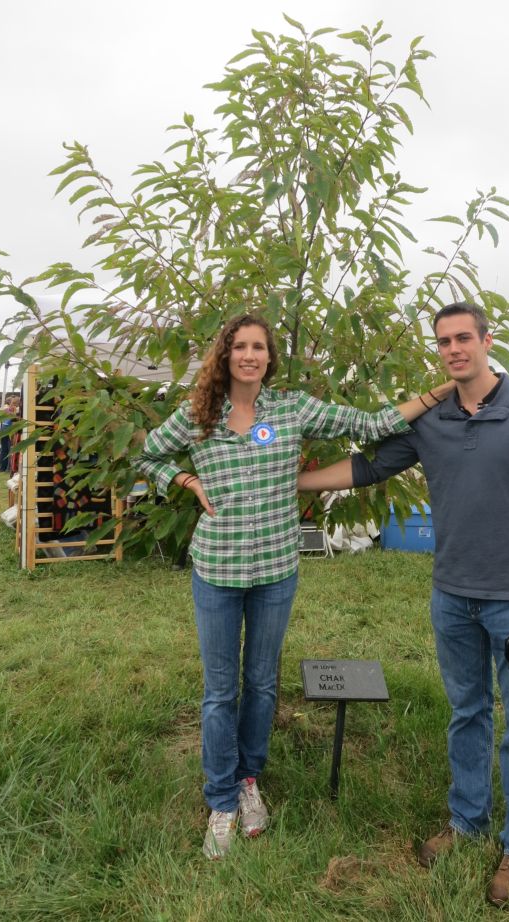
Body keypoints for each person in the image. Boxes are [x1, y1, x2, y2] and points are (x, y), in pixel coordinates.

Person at [132, 313, 454, 860]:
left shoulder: (292, 408)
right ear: (225, 354)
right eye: (240, 346)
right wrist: (184, 480)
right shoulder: (198, 415)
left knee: (260, 682)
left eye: (259, 347)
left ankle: (249, 780)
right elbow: (147, 457)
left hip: (276, 568)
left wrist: (434, 395)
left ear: (269, 357)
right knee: (219, 690)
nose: (250, 356)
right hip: (218, 570)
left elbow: (373, 424)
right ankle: (221, 799)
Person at [298, 302, 509, 907]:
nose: (454, 349)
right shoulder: (432, 421)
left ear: (486, 340)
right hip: (452, 596)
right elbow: (370, 466)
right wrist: (292, 479)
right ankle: (467, 822)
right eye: (444, 342)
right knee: (466, 713)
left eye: (463, 338)